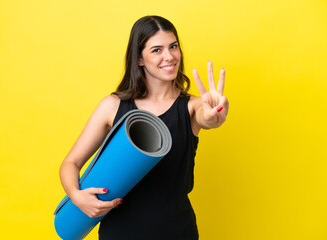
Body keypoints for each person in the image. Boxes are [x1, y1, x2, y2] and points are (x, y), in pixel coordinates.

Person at [59, 15, 229, 240]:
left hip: (177, 233)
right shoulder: (112, 106)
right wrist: (76, 196)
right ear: (139, 58)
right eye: (156, 50)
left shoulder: (193, 107)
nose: (169, 56)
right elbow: (70, 163)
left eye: (173, 46)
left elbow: (209, 119)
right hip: (119, 233)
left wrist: (214, 115)